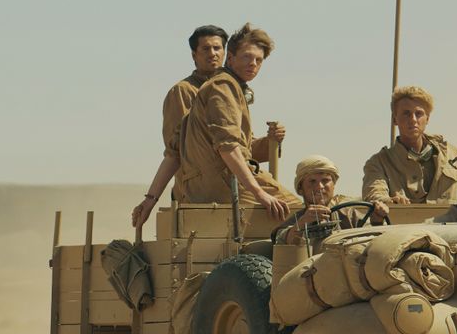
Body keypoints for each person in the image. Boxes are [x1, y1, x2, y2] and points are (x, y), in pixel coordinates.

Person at [176, 23, 299, 220]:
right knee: (301, 216)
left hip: (226, 178)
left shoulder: (230, 87)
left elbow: (244, 148)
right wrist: (259, 193)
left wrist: (270, 142)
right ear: (230, 58)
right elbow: (226, 147)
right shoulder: (221, 86)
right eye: (247, 57)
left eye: (259, 60)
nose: (253, 64)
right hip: (223, 182)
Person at [130, 25, 228, 228]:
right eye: (206, 49)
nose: (213, 54)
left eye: (217, 48)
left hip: (229, 189)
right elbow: (177, 149)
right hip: (196, 193)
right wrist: (151, 198)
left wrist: (270, 141)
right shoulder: (183, 92)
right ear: (194, 55)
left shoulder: (229, 92)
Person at [362, 86, 457, 206]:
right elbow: (373, 195)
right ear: (395, 119)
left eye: (419, 114)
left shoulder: (452, 155)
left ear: (427, 118)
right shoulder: (379, 163)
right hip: (403, 224)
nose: (413, 119)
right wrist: (390, 202)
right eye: (406, 114)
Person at [271, 155, 390, 246]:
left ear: (333, 185)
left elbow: (372, 242)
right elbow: (282, 241)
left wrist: (377, 222)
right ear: (300, 188)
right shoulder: (297, 220)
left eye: (325, 180)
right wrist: (302, 224)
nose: (319, 187)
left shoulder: (349, 215)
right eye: (312, 181)